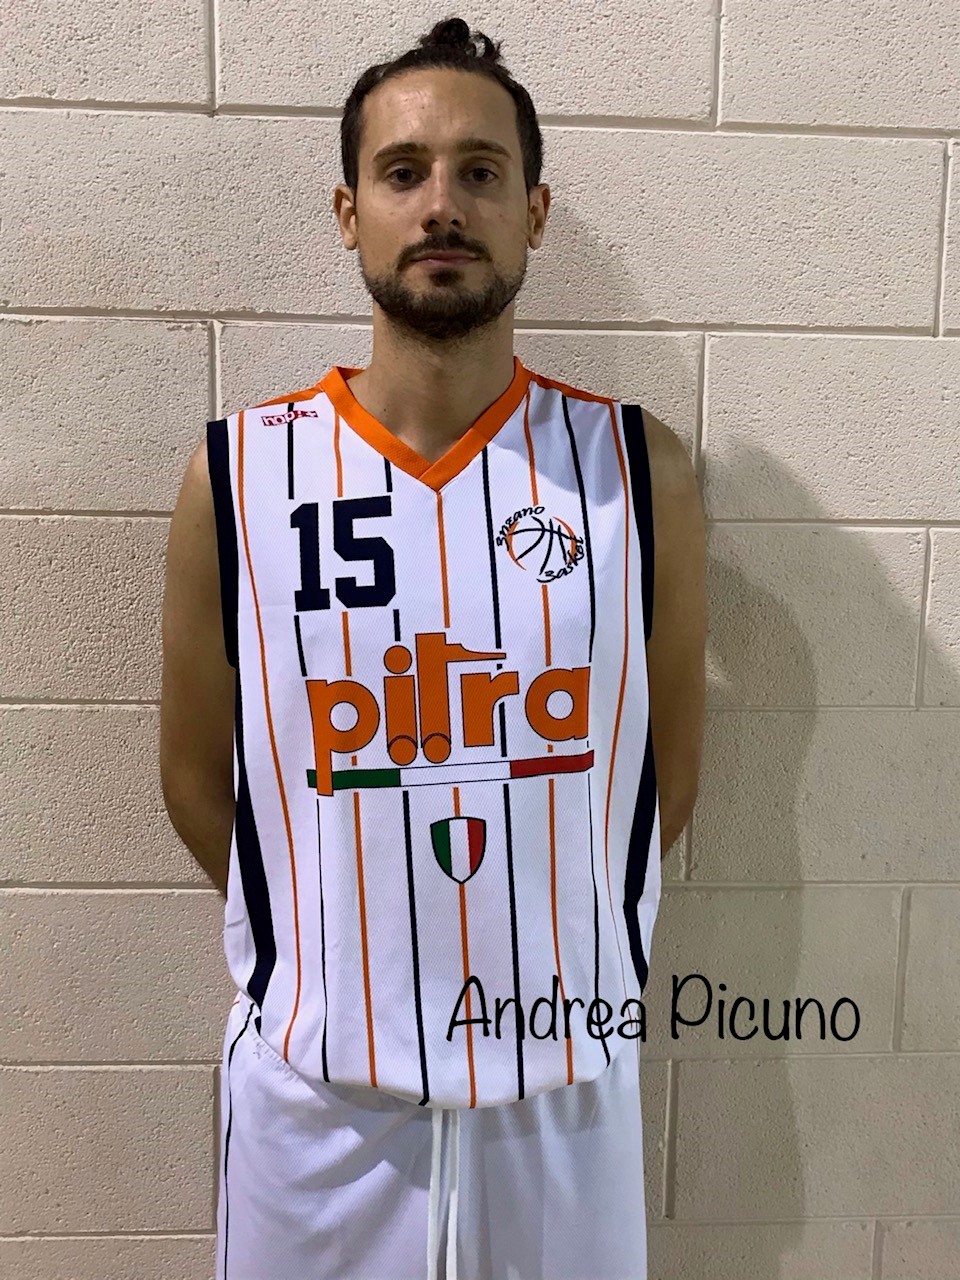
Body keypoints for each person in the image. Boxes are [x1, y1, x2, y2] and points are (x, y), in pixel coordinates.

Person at [160, 16, 706, 1280]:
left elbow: (662, 777)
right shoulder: (237, 475)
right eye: (403, 172)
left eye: (481, 170)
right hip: (318, 1107)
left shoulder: (639, 471)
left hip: (561, 1094)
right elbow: (197, 780)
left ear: (535, 211)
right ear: (349, 212)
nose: (442, 204)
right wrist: (343, 939)